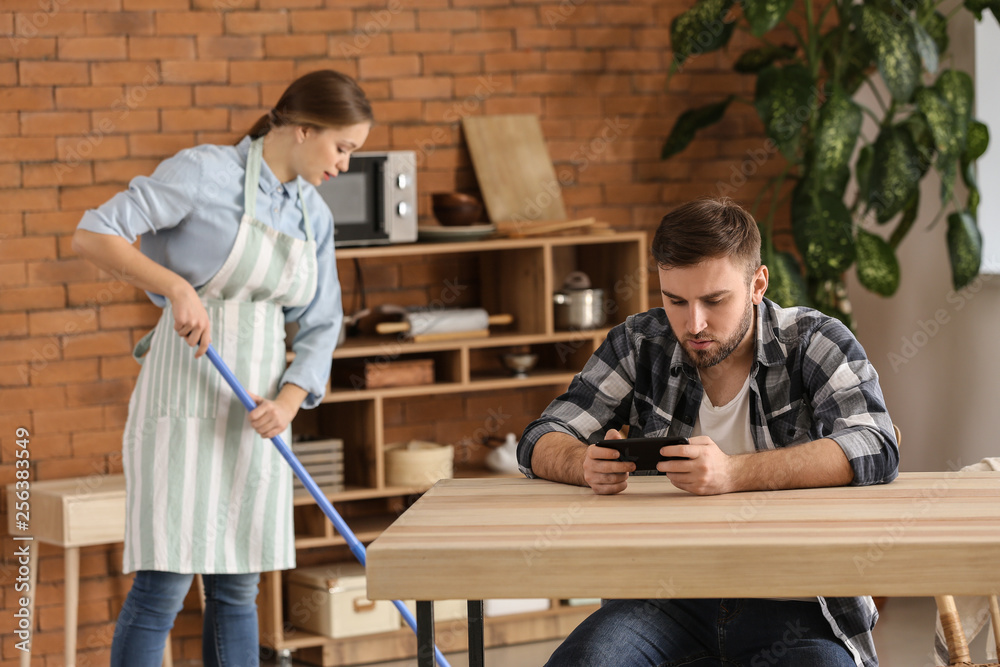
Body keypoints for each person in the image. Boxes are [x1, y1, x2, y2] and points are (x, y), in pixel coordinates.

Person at [517, 197, 899, 667]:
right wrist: (583, 463)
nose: (693, 323)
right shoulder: (640, 343)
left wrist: (734, 473)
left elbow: (875, 444)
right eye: (675, 300)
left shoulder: (816, 341)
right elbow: (541, 436)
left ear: (757, 284)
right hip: (661, 600)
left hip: (797, 607)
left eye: (715, 301)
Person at [72, 70, 372, 667]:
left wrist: (287, 401)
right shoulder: (206, 172)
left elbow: (321, 324)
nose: (344, 164)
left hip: (254, 410)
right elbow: (94, 233)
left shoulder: (313, 214)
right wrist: (176, 288)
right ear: (303, 128)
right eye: (342, 147)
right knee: (165, 582)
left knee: (238, 585)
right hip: (183, 394)